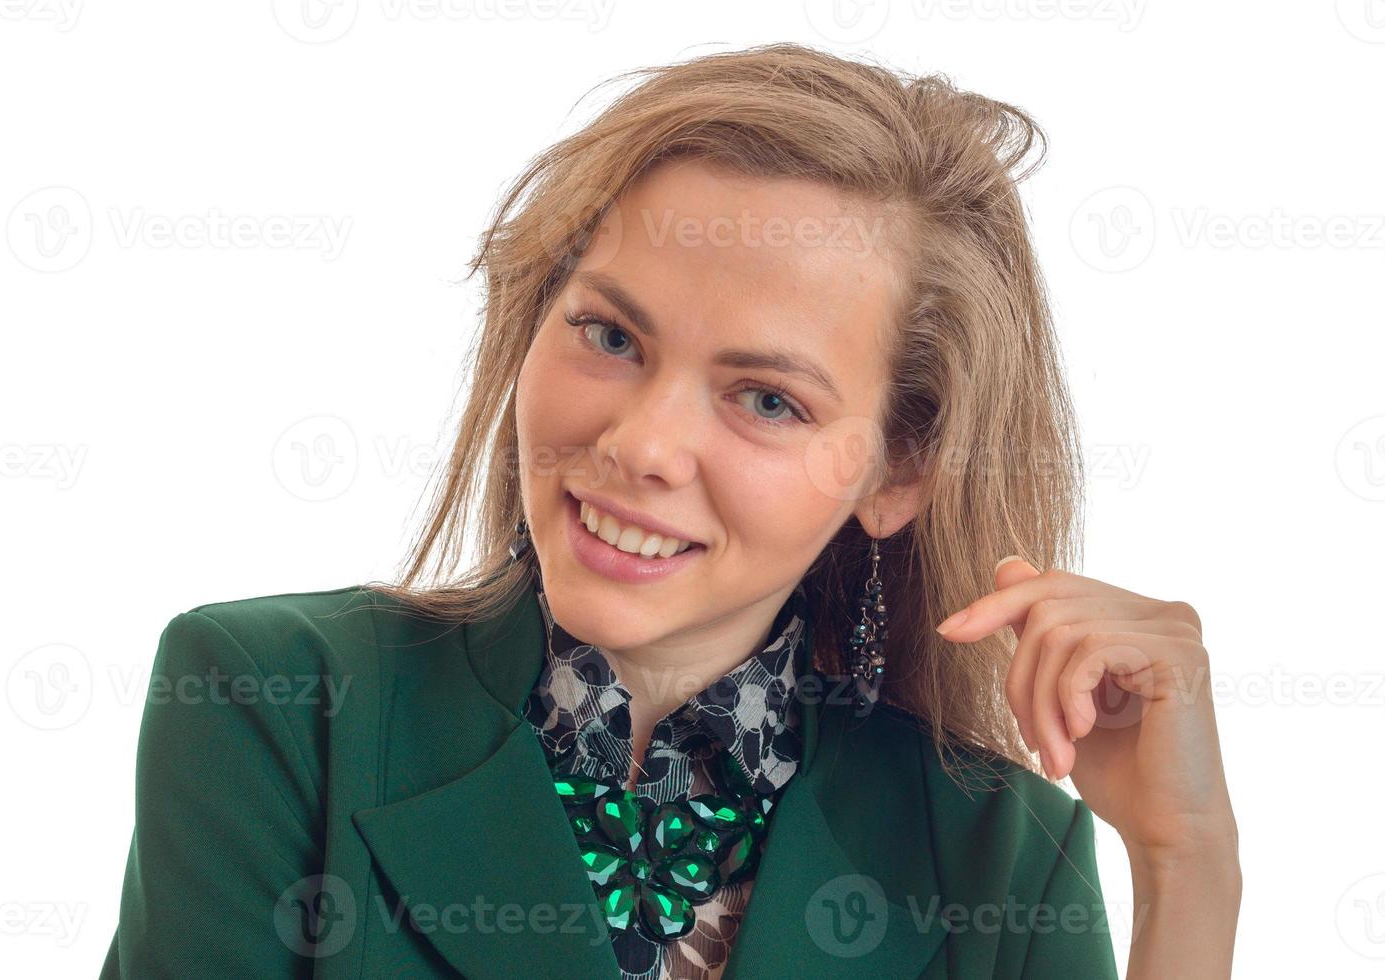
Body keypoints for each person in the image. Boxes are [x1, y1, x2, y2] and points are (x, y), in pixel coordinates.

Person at [99, 42, 1240, 979]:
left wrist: (1189, 865)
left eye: (765, 398)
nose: (640, 442)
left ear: (897, 471)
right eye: (609, 334)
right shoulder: (280, 703)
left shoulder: (999, 849)